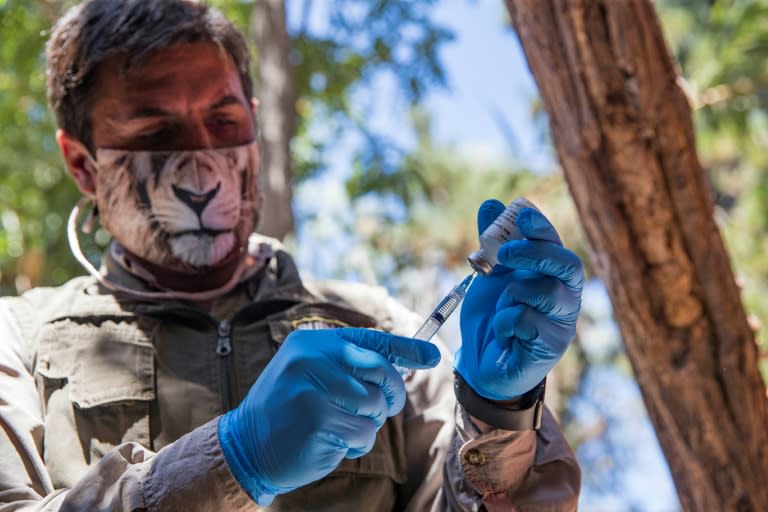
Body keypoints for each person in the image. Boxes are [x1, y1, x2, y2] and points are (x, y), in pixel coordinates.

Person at [0, 0, 584, 510]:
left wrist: (501, 413)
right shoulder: (20, 342)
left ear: (255, 122)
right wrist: (234, 459)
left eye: (224, 120)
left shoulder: (376, 327)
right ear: (81, 163)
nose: (203, 166)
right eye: (155, 132)